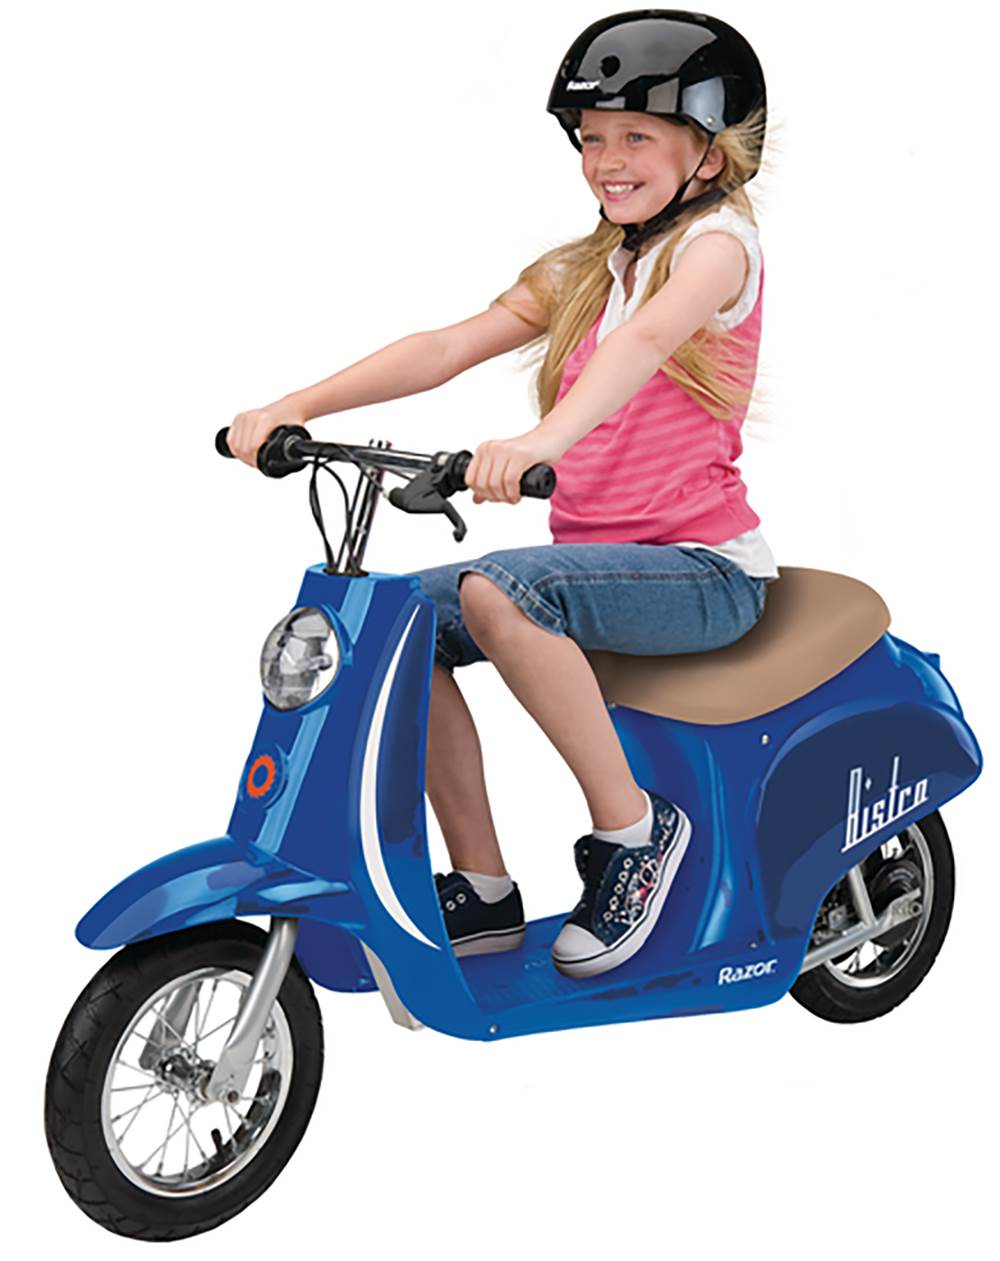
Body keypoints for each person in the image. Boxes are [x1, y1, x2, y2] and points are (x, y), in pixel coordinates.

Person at [226, 11, 779, 980]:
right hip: (595, 568)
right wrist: (296, 405)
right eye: (591, 138)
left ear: (710, 151)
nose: (607, 161)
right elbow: (446, 346)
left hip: (702, 572)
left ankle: (635, 831)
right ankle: (482, 886)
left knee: (497, 592)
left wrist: (539, 442)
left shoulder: (718, 248)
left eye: (636, 136)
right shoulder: (590, 267)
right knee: (393, 627)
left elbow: (645, 342)